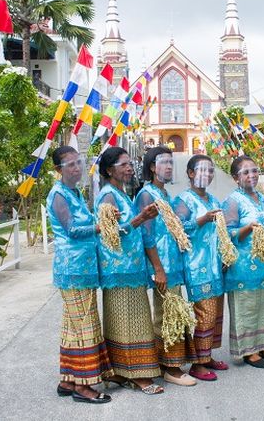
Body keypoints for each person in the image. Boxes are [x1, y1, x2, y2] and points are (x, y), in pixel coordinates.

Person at [95, 146, 165, 395]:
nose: (129, 168)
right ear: (109, 170)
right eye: (123, 164)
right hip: (119, 269)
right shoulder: (107, 196)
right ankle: (138, 376)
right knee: (129, 322)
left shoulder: (121, 194)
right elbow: (111, 233)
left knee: (127, 320)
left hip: (132, 269)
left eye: (130, 164)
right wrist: (141, 218)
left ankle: (120, 372)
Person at [47, 146, 112, 403]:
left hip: (82, 268)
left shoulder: (72, 192)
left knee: (72, 327)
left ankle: (68, 380)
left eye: (78, 163)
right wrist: (100, 226)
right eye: (70, 165)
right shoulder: (58, 195)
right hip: (73, 269)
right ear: (58, 170)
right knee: (85, 327)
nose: (77, 168)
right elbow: (72, 230)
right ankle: (83, 386)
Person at [134, 146, 197, 387]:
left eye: (172, 162)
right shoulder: (147, 195)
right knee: (168, 314)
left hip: (174, 264)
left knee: (173, 313)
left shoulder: (165, 194)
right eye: (164, 162)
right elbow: (147, 236)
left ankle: (166, 363)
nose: (170, 167)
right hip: (163, 266)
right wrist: (158, 269)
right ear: (152, 167)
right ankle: (171, 367)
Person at [223, 155, 264, 368]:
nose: (252, 175)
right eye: (245, 172)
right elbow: (227, 233)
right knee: (247, 306)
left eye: (255, 171)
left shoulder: (262, 197)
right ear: (236, 177)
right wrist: (247, 228)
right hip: (244, 264)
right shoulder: (233, 200)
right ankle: (249, 351)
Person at [173, 155, 229, 381]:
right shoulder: (183, 200)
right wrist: (202, 220)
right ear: (190, 173)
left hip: (215, 263)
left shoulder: (213, 199)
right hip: (197, 265)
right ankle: (197, 363)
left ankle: (207, 356)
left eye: (210, 170)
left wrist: (226, 252)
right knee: (203, 314)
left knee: (215, 313)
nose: (207, 174)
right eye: (201, 170)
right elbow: (178, 230)